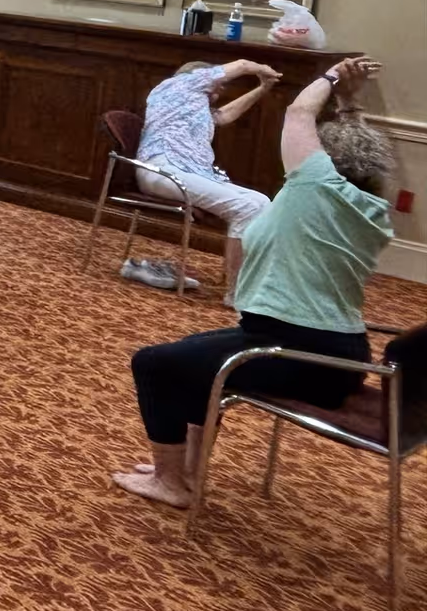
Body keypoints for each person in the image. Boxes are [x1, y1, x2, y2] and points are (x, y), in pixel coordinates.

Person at [113, 56, 394, 510]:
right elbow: (351, 150)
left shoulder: (314, 189)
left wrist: (333, 75)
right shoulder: (371, 209)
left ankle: (171, 481)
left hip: (299, 352)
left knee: (153, 363)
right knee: (193, 353)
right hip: (340, 352)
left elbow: (300, 114)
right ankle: (186, 468)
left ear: (323, 165)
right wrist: (347, 104)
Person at [134, 58, 280, 287]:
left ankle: (249, 281)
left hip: (186, 171)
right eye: (218, 84)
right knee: (246, 208)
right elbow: (241, 65)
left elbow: (224, 116)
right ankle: (237, 291)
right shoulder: (179, 84)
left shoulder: (191, 105)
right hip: (162, 168)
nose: (221, 90)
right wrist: (263, 68)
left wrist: (262, 88)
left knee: (261, 201)